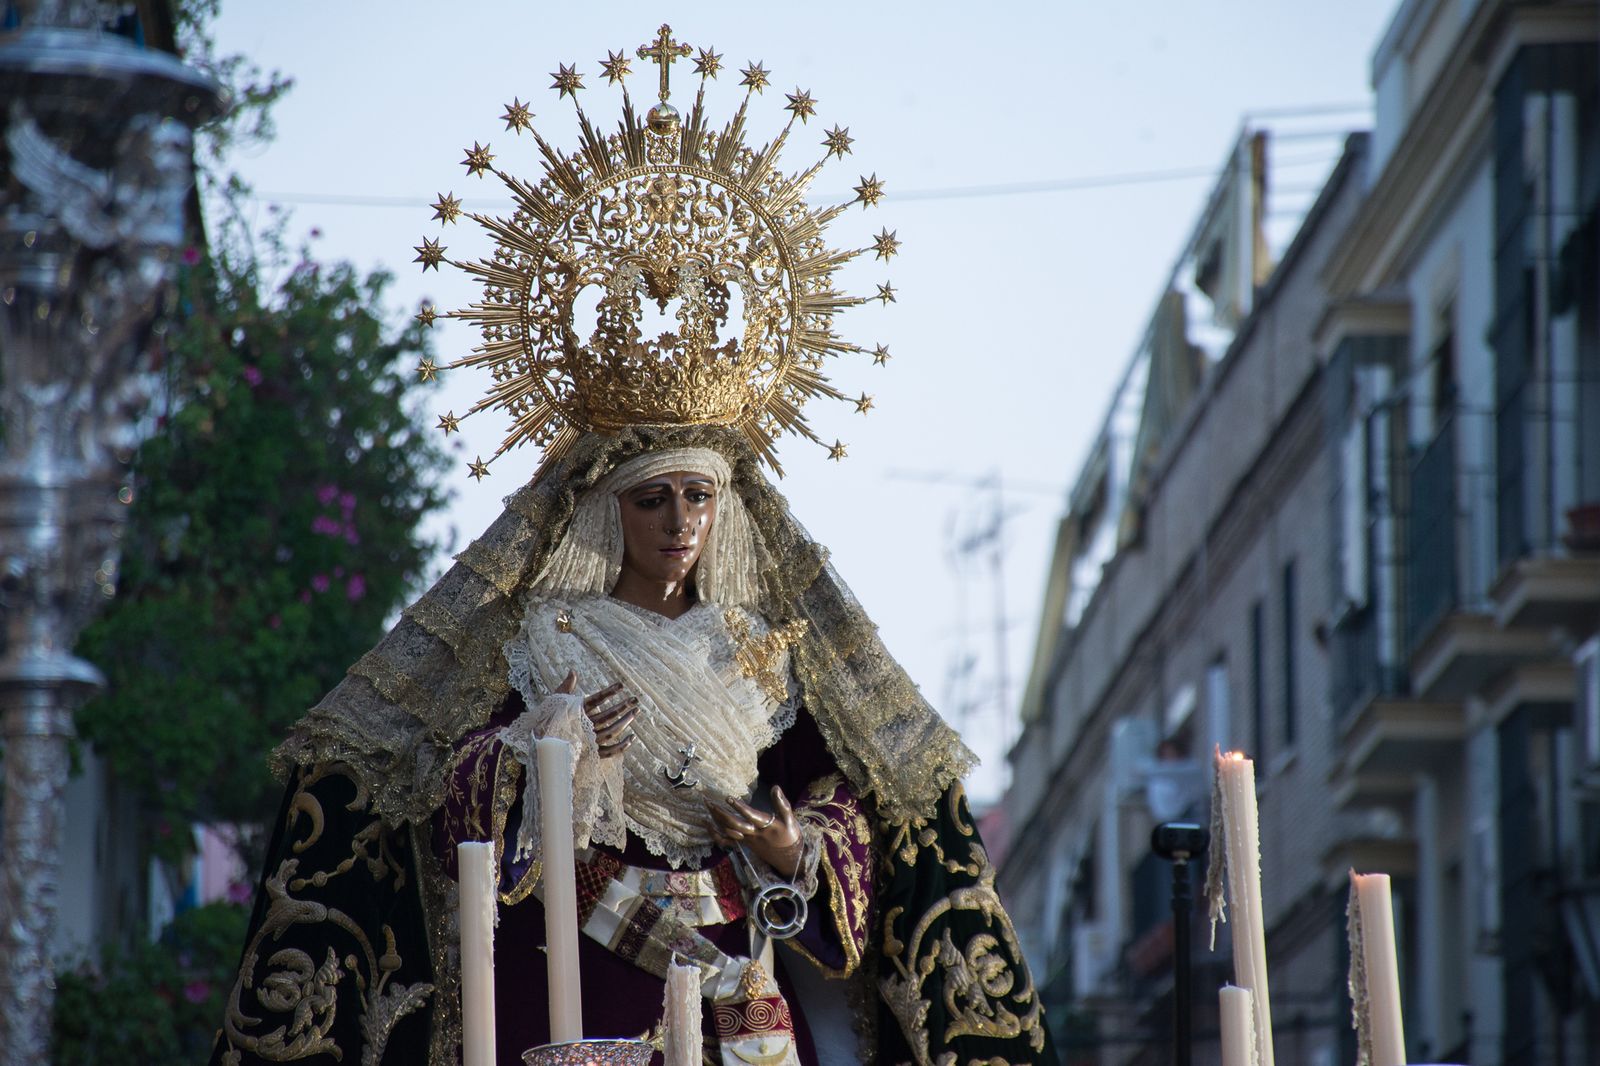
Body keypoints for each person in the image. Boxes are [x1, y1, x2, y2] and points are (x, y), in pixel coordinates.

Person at [212, 23, 1056, 1066]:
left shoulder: (761, 649)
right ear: (609, 510)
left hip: (740, 976)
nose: (677, 522)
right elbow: (448, 794)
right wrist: (543, 753)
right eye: (652, 498)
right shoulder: (543, 636)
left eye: (698, 498)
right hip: (574, 969)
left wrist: (797, 846)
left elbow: (846, 802)